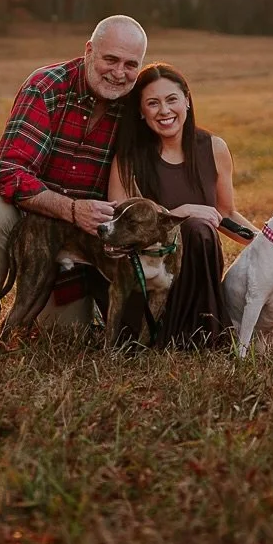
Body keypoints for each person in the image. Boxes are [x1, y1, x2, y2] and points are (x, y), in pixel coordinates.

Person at [0, 14, 148, 332]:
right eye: (111, 59)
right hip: (21, 211)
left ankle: (64, 303)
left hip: (76, 236)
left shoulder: (133, 107)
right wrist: (72, 209)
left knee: (65, 332)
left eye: (131, 64)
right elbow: (9, 173)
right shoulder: (47, 86)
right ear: (89, 51)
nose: (119, 73)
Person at [108, 62, 255, 349]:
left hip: (199, 272)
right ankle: (168, 335)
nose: (164, 111)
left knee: (201, 231)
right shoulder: (128, 157)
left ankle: (203, 331)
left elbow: (225, 213)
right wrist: (177, 214)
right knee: (197, 228)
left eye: (171, 99)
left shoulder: (213, 148)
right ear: (141, 112)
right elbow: (120, 225)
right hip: (149, 279)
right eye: (153, 103)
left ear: (186, 100)